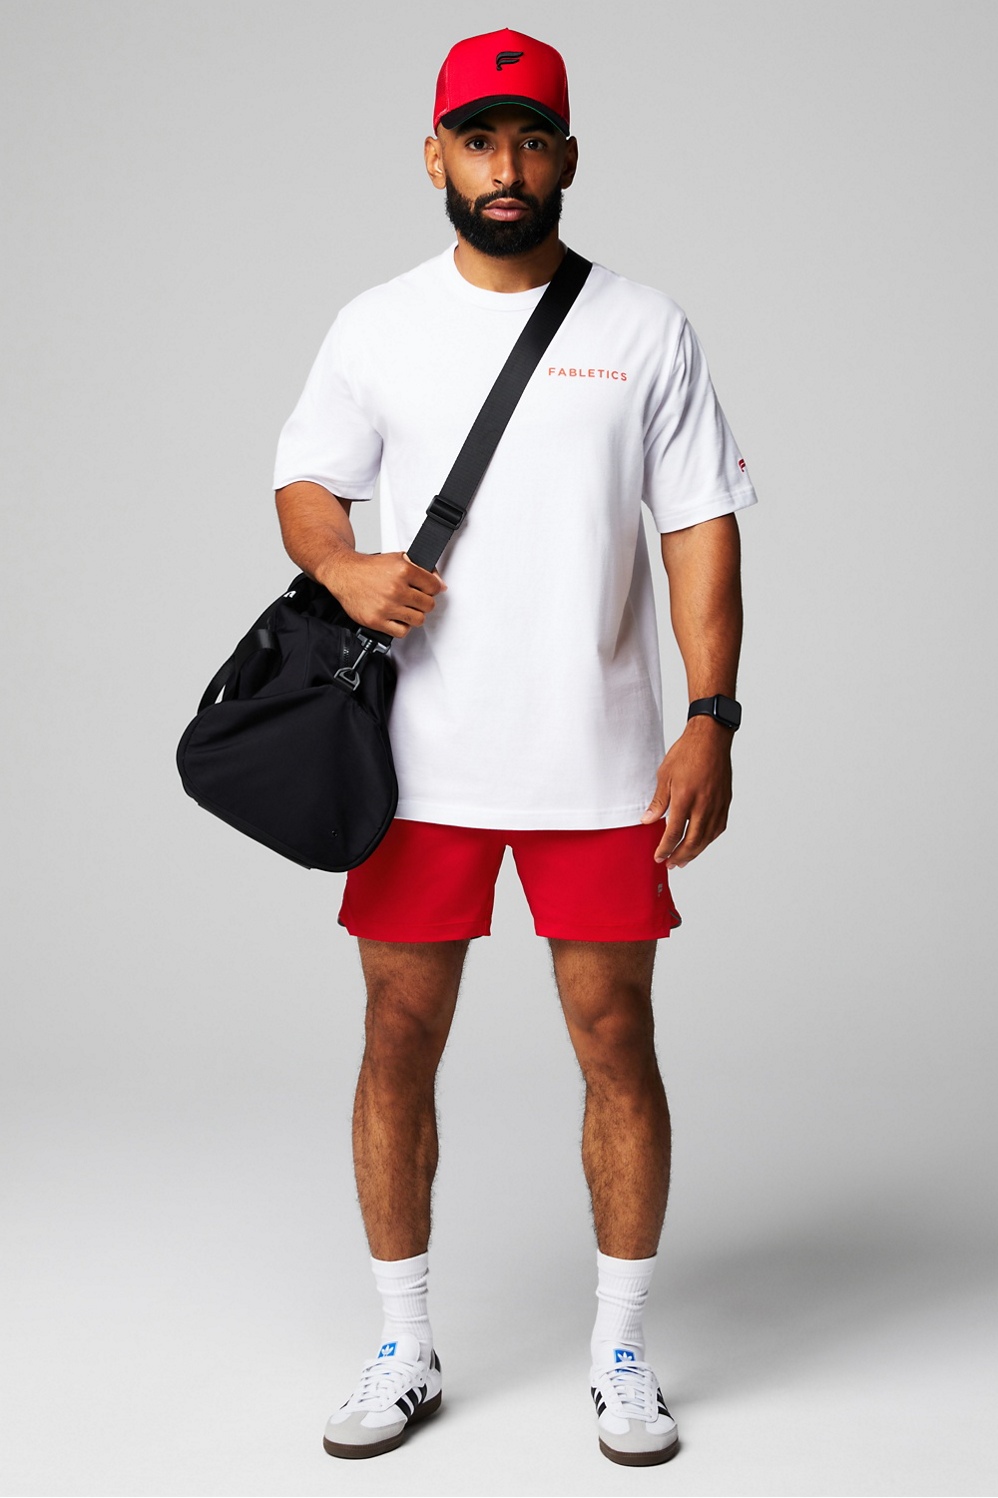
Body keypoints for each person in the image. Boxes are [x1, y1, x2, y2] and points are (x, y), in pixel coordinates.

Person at [272, 26, 756, 1468]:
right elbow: (305, 482)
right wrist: (343, 566)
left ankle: (621, 1352)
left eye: (531, 140)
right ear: (434, 155)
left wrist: (711, 717)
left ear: (567, 158)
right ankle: (402, 1342)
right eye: (479, 140)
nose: (506, 167)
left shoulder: (645, 327)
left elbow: (699, 531)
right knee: (395, 1036)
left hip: (600, 762)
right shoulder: (377, 324)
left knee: (616, 1038)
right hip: (415, 761)